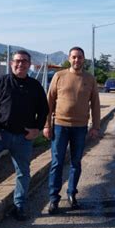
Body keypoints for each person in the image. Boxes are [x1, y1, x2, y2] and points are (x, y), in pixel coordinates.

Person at [0, 50, 49, 221]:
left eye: (24, 61)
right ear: (11, 63)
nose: (20, 64)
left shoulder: (35, 86)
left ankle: (20, 205)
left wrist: (37, 128)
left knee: (23, 172)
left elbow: (44, 110)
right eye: (17, 61)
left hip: (23, 137)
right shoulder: (1, 82)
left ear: (29, 64)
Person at [43, 46, 100, 215]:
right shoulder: (59, 76)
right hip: (60, 126)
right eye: (74, 57)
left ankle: (72, 195)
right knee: (57, 163)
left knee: (76, 163)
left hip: (80, 128)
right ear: (69, 58)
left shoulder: (90, 79)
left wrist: (96, 126)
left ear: (84, 59)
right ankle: (54, 199)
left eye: (80, 57)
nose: (77, 60)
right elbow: (49, 102)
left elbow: (95, 104)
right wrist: (47, 125)